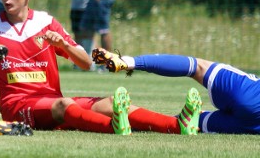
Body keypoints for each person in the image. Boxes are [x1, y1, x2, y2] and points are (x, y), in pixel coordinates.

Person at [0, 0, 202, 135]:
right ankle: (113, 128)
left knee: (110, 103)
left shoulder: (46, 22)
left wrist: (62, 44)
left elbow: (85, 62)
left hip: (53, 101)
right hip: (18, 107)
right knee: (64, 105)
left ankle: (176, 125)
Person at [93, 48, 260, 134]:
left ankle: (128, 62)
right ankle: (111, 123)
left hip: (252, 94)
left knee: (197, 67)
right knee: (182, 123)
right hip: (253, 124)